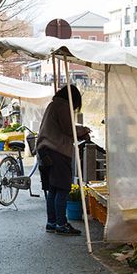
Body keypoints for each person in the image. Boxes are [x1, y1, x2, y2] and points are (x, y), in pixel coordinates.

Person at [36, 85, 89, 236]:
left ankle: (52, 222)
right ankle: (61, 224)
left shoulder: (53, 104)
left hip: (45, 150)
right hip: (57, 151)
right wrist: (84, 130)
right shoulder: (63, 106)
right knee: (62, 188)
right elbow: (68, 129)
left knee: (53, 189)